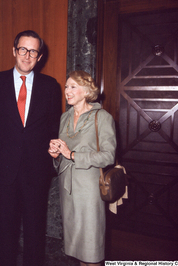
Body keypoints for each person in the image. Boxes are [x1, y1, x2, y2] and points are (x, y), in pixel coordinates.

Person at [0, 30, 62, 266]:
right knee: (6, 230)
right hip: (5, 170)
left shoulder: (51, 85)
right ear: (14, 51)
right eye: (23, 49)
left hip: (36, 171)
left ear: (39, 56)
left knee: (35, 231)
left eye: (33, 51)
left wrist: (54, 149)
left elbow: (54, 127)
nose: (27, 55)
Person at [48, 70, 116, 266]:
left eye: (73, 87)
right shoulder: (65, 117)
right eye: (66, 86)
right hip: (67, 190)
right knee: (76, 248)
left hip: (89, 191)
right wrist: (56, 155)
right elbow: (63, 155)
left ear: (86, 91)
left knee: (91, 248)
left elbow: (108, 155)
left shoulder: (102, 117)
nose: (67, 91)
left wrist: (73, 155)